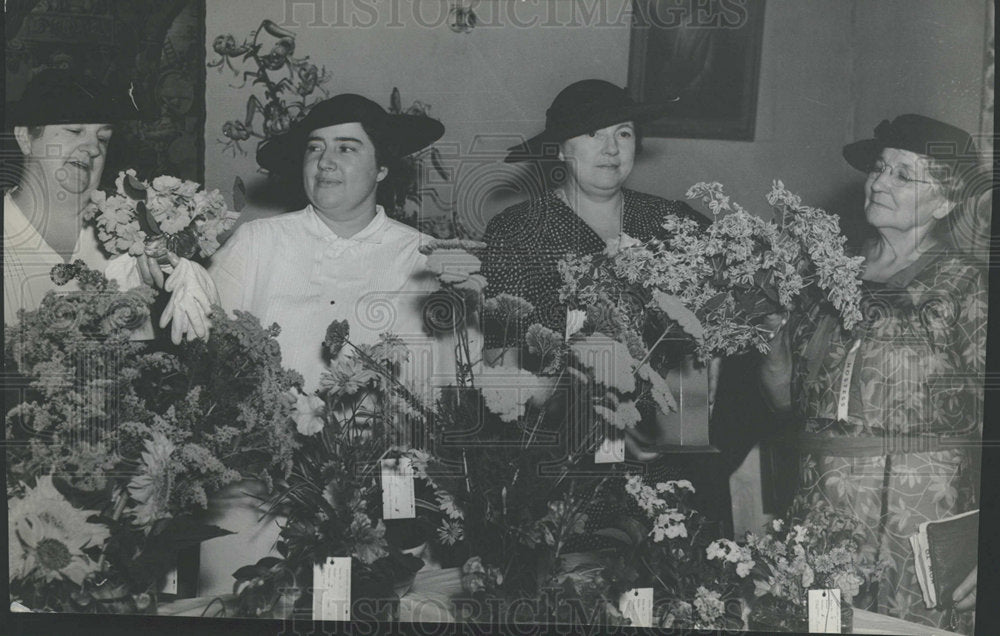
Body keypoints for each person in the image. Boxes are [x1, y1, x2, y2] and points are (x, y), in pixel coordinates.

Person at [759, 114, 986, 633]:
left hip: (923, 521)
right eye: (880, 169)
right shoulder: (827, 274)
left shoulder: (966, 286)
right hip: (822, 515)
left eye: (904, 175)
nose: (879, 182)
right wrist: (770, 336)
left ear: (946, 201)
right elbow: (781, 401)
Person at [480, 79, 713, 460]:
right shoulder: (517, 232)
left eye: (624, 133)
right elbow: (501, 367)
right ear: (558, 149)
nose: (611, 148)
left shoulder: (669, 222)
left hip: (663, 443)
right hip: (554, 448)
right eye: (592, 134)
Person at [209, 93, 446, 392]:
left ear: (381, 169)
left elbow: (445, 379)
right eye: (314, 148)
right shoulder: (256, 242)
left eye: (345, 148)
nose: (324, 162)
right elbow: (207, 351)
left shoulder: (425, 259)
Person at [3, 69, 214, 342]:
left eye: (103, 139)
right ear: (25, 138)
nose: (93, 149)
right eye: (74, 130)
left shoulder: (127, 245)